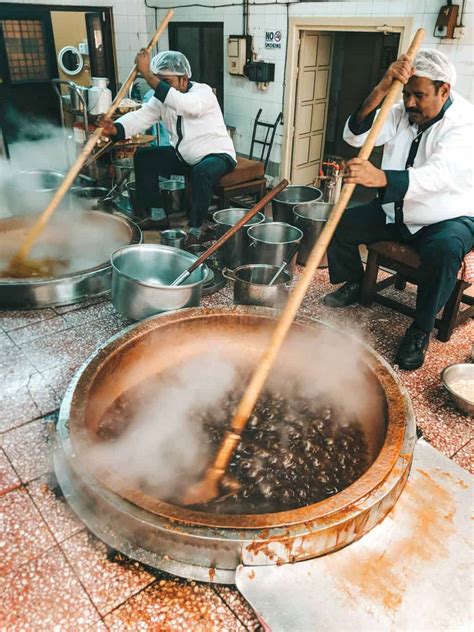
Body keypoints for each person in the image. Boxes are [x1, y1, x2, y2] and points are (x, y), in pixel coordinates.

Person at [323, 48, 474, 371]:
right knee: (339, 221)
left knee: (445, 253)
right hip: (397, 210)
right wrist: (381, 87)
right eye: (406, 94)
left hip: (445, 216)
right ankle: (353, 280)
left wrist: (378, 177)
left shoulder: (465, 123)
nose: (409, 103)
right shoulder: (402, 110)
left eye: (418, 95)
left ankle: (420, 330)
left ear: (444, 89)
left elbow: (439, 176)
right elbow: (355, 135)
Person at [99, 50, 236, 239]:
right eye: (159, 80)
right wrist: (114, 129)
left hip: (217, 155)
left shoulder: (203, 93)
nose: (162, 87)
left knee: (202, 171)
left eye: (167, 82)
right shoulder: (162, 100)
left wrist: (147, 74)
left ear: (184, 79)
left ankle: (196, 229)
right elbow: (141, 117)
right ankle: (157, 215)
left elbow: (183, 104)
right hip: (186, 157)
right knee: (145, 157)